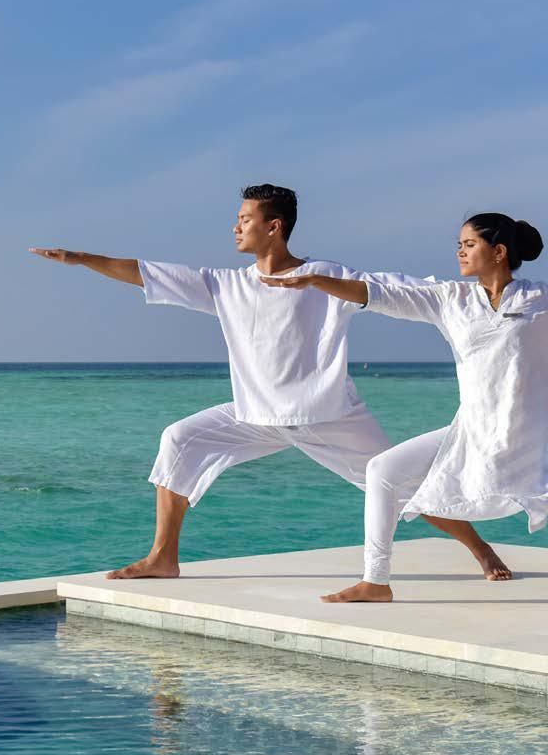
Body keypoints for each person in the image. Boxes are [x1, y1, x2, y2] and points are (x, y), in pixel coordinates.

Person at [29, 184, 510, 581]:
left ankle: (480, 548)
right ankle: (163, 558)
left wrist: (479, 287)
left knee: (403, 485)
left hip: (328, 415)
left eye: (244, 219)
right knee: (179, 438)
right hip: (255, 415)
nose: (235, 227)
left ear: (273, 226)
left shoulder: (326, 278)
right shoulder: (226, 285)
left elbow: (399, 287)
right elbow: (145, 273)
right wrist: (83, 258)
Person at [261, 212, 548, 609]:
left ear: (498, 251)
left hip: (540, 435)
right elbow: (375, 294)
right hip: (474, 433)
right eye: (458, 245)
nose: (459, 252)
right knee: (383, 470)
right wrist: (316, 281)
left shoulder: (540, 299)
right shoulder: (448, 300)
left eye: (468, 244)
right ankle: (375, 582)